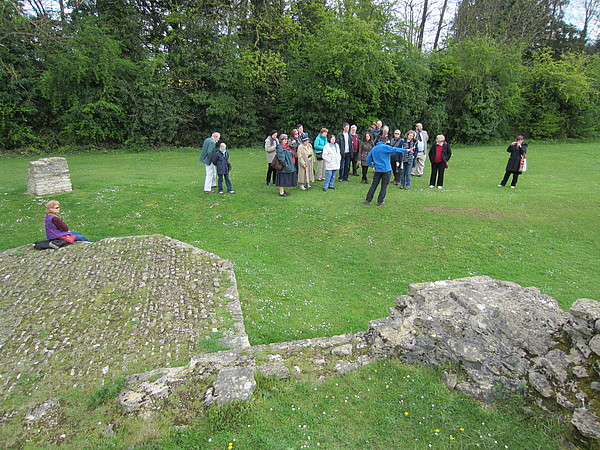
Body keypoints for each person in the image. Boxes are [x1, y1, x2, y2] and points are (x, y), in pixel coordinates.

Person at [364, 137, 411, 206]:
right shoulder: (385, 147)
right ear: (385, 141)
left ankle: (368, 199)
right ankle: (380, 201)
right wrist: (407, 150)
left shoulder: (374, 148)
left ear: (379, 141)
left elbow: (368, 158)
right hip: (386, 170)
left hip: (377, 170)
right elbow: (396, 149)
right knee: (384, 186)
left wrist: (372, 166)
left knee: (374, 185)